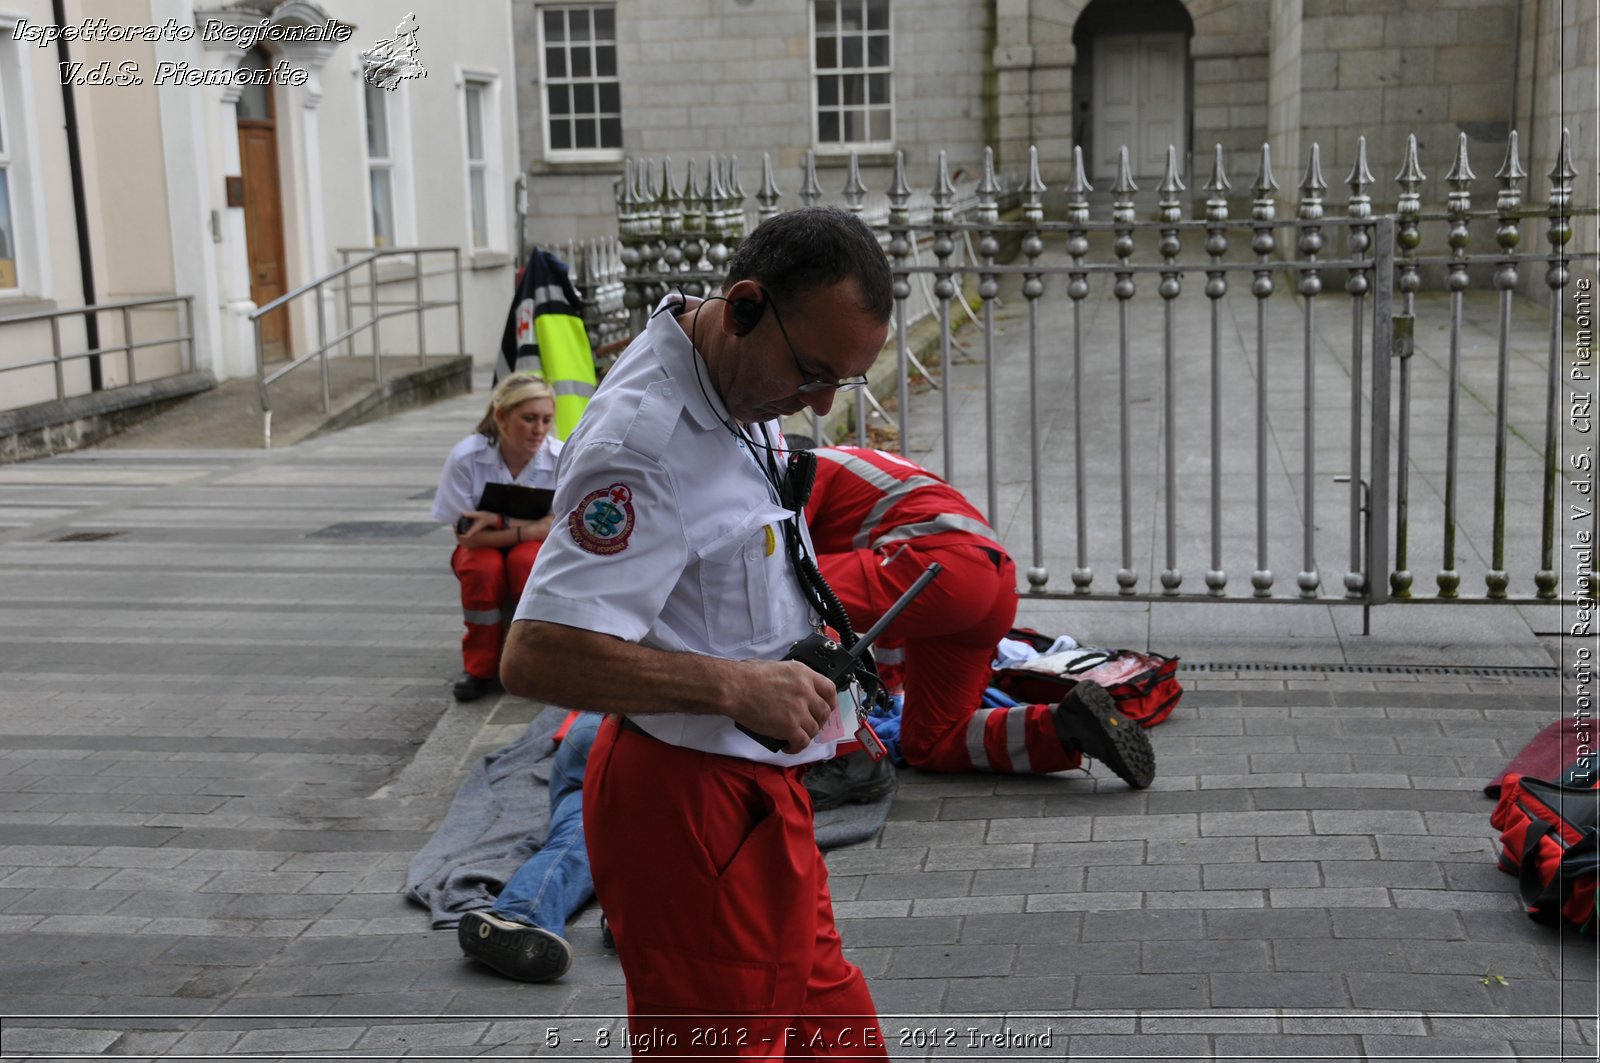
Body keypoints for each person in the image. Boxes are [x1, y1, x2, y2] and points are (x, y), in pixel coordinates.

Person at [501, 206, 894, 1058]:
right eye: (817, 373)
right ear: (745, 305)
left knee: (841, 1044)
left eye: (844, 382)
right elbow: (535, 653)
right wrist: (738, 685)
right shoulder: (643, 445)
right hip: (689, 810)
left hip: (760, 797)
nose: (822, 403)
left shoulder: (736, 372)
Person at [800, 444, 1155, 793]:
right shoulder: (868, 474)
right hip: (991, 586)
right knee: (931, 741)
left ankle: (849, 757)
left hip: (939, 570)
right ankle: (1064, 726)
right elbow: (890, 610)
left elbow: (784, 581)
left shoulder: (803, 466)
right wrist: (892, 689)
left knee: (791, 595)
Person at [432, 373, 562, 701]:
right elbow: (466, 538)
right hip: (481, 548)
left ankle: (530, 663)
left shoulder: (559, 458)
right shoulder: (467, 457)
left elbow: (559, 525)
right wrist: (526, 528)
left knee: (527, 561)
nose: (539, 429)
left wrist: (498, 521)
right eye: (529, 419)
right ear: (501, 416)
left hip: (525, 544)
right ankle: (479, 668)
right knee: (482, 569)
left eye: (546, 420)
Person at [457, 711, 600, 982]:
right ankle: (647, 915)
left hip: (595, 728)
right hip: (643, 739)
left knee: (582, 827)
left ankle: (516, 913)